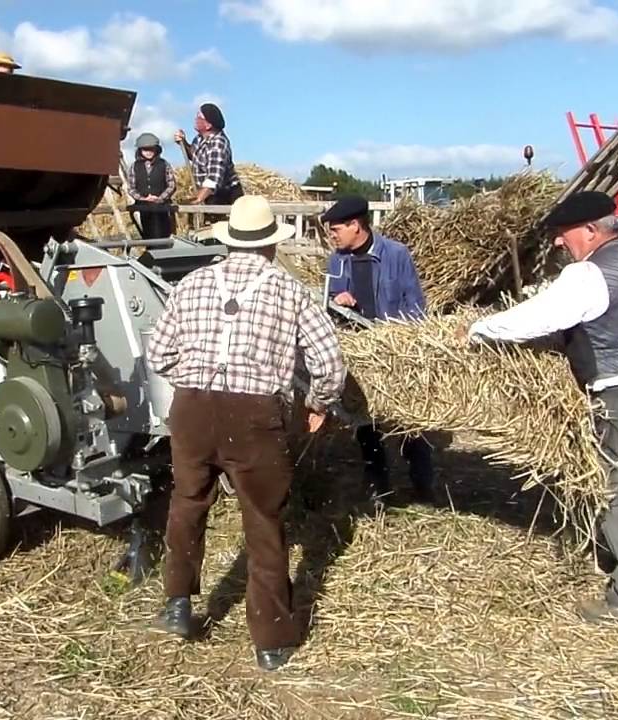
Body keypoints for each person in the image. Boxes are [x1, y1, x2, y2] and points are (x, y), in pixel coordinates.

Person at [465, 191, 618, 625]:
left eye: (564, 233)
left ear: (592, 230)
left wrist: (480, 328)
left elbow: (537, 317)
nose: (559, 242)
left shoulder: (589, 275)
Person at [146, 195, 345, 671]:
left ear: (230, 241)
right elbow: (329, 363)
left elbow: (158, 354)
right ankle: (271, 643)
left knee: (188, 501)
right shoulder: (289, 290)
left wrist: (192, 380)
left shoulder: (192, 283)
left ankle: (177, 605)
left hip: (192, 410)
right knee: (263, 520)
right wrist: (318, 403)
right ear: (270, 245)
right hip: (254, 416)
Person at [321, 195, 434, 504]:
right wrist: (337, 301)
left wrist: (398, 344)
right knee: (365, 424)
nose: (333, 236)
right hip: (360, 354)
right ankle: (379, 488)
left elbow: (415, 306)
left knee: (410, 422)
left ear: (355, 225)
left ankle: (423, 484)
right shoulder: (337, 261)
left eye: (336, 229)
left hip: (395, 351)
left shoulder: (396, 255)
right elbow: (328, 304)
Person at [174, 103, 243, 219]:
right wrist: (183, 143)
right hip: (210, 194)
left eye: (199, 117)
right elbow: (194, 155)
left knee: (219, 226)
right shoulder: (200, 138)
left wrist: (197, 200)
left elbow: (213, 179)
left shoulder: (218, 144)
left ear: (208, 125)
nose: (195, 119)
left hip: (224, 196)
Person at [126, 133, 178, 239]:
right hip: (144, 208)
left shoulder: (164, 164)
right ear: (140, 150)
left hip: (162, 208)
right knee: (148, 235)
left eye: (151, 149)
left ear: (156, 149)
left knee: (164, 234)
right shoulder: (134, 166)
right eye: (145, 149)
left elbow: (171, 185)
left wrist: (160, 198)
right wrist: (143, 198)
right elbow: (131, 188)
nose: (148, 152)